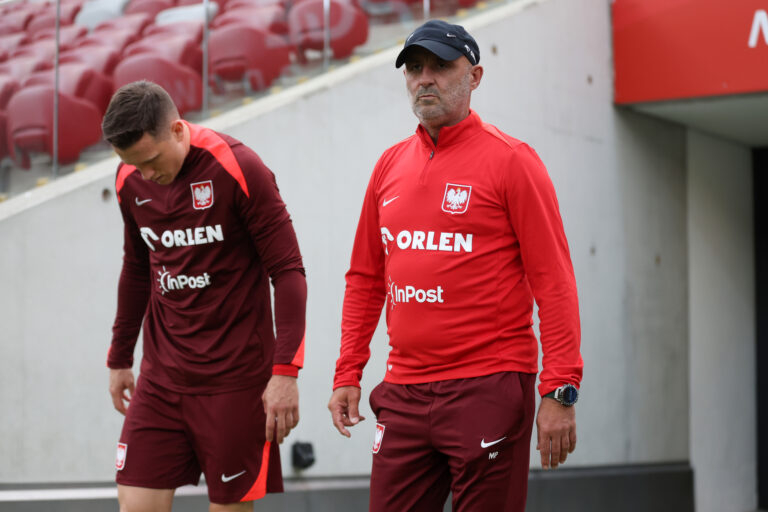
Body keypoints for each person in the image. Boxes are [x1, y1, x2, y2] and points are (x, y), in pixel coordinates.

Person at [327, 20, 583, 512]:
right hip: (403, 389)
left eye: (442, 67)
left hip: (488, 384)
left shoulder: (513, 162)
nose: (426, 79)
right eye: (415, 68)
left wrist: (560, 389)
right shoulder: (387, 166)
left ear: (475, 76)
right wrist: (348, 371)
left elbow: (554, 282)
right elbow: (364, 278)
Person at [102, 81, 307, 512]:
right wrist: (120, 357)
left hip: (235, 382)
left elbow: (288, 272)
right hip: (161, 378)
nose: (146, 175)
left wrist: (285, 372)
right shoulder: (130, 178)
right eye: (133, 165)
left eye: (152, 160)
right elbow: (137, 269)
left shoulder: (239, 167)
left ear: (178, 130)